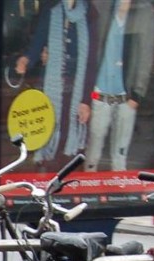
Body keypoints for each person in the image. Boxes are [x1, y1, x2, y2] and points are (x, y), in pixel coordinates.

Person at [15, 0, 99, 166]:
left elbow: (91, 60)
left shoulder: (90, 12)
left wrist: (86, 101)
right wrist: (27, 60)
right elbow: (38, 41)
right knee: (48, 132)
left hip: (76, 86)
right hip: (51, 85)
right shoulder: (50, 7)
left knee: (69, 144)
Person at [84, 0, 154, 172]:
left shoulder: (144, 12)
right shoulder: (103, 8)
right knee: (93, 150)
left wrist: (137, 93)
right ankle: (88, 189)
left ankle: (120, 191)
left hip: (127, 95)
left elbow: (146, 53)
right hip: (98, 93)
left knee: (120, 155)